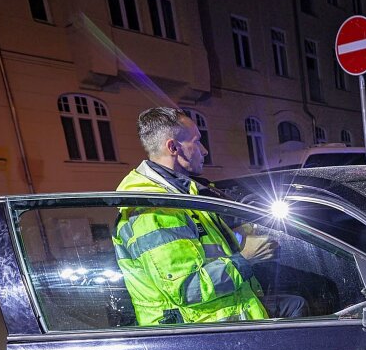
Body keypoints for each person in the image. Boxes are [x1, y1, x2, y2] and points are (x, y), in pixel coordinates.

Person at [114, 107, 305, 326]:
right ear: (173, 147)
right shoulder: (154, 210)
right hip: (199, 337)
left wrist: (240, 235)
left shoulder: (182, 196)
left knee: (294, 305)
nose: (204, 151)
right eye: (196, 141)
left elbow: (204, 249)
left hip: (222, 320)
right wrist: (244, 259)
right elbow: (188, 288)